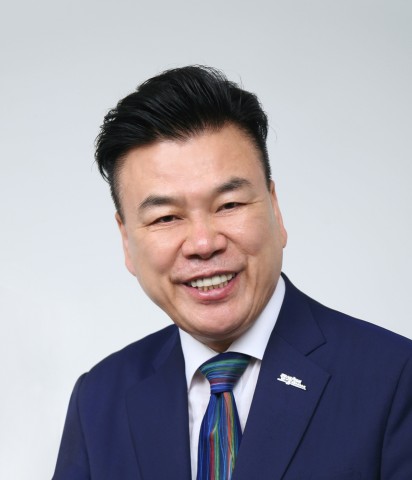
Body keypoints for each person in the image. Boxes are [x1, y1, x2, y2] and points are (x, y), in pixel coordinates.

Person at [53, 66, 412, 480]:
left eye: (229, 205)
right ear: (126, 240)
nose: (203, 243)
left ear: (275, 209)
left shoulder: (394, 379)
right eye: (166, 217)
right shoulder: (99, 400)